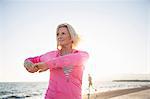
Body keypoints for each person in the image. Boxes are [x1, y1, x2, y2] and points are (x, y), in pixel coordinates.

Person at [24, 23, 89, 99]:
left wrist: (47, 65)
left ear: (71, 37)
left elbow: (68, 60)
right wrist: (28, 64)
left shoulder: (81, 55)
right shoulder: (51, 55)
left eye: (63, 33)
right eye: (57, 34)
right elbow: (31, 60)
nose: (59, 37)